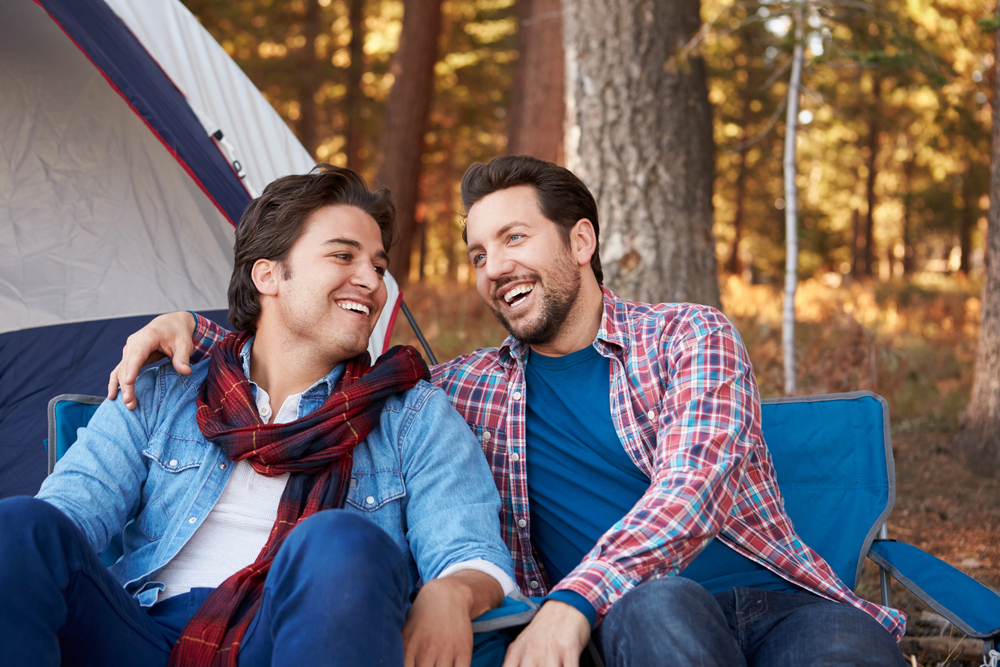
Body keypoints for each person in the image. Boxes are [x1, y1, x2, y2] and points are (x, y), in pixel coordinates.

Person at [109, 156, 907, 667]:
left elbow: (690, 489)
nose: (494, 268)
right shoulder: (465, 390)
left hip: (780, 605)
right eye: (478, 253)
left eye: (514, 238)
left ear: (582, 241)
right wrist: (202, 330)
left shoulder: (689, 335)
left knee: (848, 655)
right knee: (658, 606)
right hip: (639, 623)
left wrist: (569, 601)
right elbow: (312, 354)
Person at [1, 165, 517, 667]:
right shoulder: (164, 393)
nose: (372, 282)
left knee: (339, 540)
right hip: (139, 634)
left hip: (294, 633)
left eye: (379, 267)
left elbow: (470, 553)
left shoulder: (413, 417)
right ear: (268, 275)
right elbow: (63, 520)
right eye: (344, 255)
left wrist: (453, 592)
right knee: (17, 524)